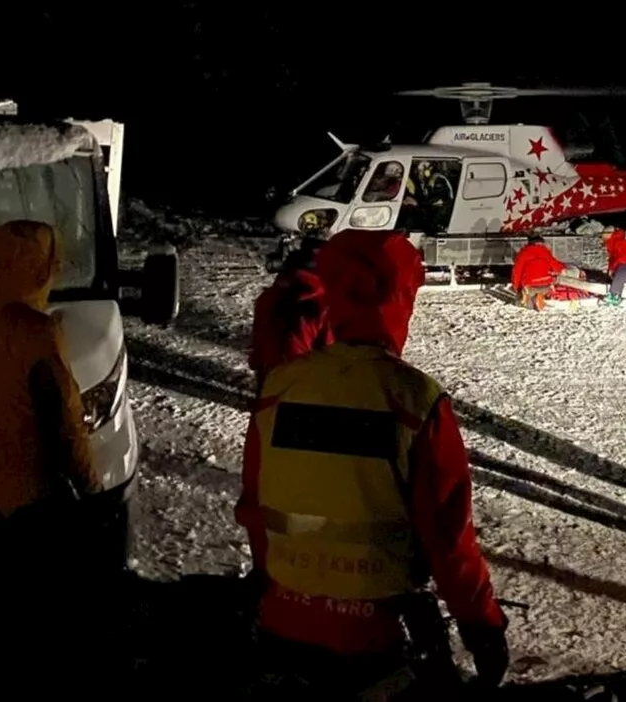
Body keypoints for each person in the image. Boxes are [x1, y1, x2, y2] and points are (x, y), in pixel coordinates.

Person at [236, 229, 509, 694]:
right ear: (400, 297)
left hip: (283, 620)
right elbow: (448, 539)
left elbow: (255, 508)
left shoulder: (279, 389)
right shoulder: (415, 401)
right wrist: (482, 626)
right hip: (373, 637)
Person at [0, 220, 103, 689]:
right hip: (28, 496)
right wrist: (89, 486)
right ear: (36, 269)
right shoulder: (36, 332)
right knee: (34, 606)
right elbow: (64, 422)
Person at [249, 233, 334, 392]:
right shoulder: (325, 305)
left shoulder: (269, 297)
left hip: (270, 376)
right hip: (303, 384)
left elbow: (259, 336)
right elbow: (332, 353)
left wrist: (256, 361)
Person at [511, 234, 567, 311]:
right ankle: (540, 298)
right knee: (543, 289)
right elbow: (558, 268)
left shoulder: (523, 254)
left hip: (530, 286)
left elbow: (517, 272)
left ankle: (530, 300)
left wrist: (517, 288)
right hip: (546, 285)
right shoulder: (546, 253)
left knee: (522, 303)